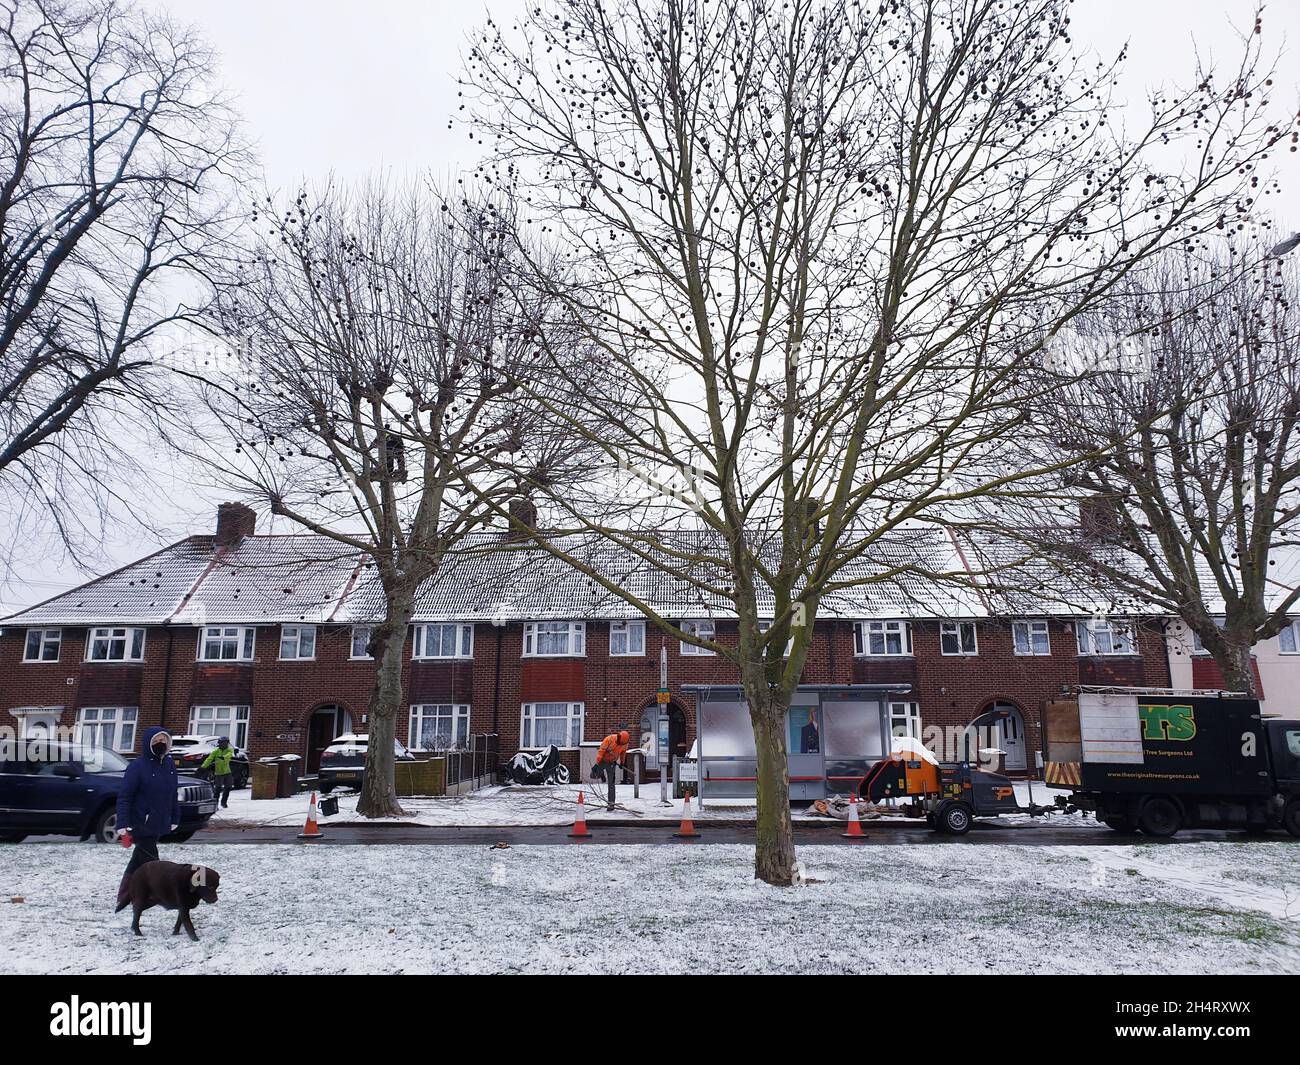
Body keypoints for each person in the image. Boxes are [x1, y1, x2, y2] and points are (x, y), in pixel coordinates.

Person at [115, 727, 180, 909]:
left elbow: (172, 793)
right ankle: (163, 896)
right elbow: (125, 796)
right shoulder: (137, 767)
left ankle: (125, 894)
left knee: (138, 859)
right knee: (152, 861)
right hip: (140, 822)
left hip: (159, 820)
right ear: (148, 743)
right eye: (156, 741)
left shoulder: (169, 765)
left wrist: (174, 816)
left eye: (163, 740)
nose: (160, 744)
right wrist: (123, 823)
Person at [594, 730, 631, 810]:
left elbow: (623, 753)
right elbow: (601, 752)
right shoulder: (609, 739)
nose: (621, 745)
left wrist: (622, 763)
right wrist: (596, 764)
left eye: (622, 744)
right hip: (603, 761)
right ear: (618, 737)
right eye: (620, 743)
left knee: (611, 784)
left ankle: (611, 804)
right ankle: (601, 774)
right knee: (593, 775)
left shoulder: (625, 744)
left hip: (612, 763)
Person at [201, 736, 236, 808]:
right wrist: (203, 766)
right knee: (218, 788)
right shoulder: (216, 751)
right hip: (219, 773)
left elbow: (229, 755)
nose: (223, 744)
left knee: (228, 787)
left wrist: (224, 757)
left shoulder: (229, 750)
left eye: (225, 743)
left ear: (227, 743)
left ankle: (224, 802)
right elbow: (209, 759)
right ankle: (215, 802)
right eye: (221, 743)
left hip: (227, 772)